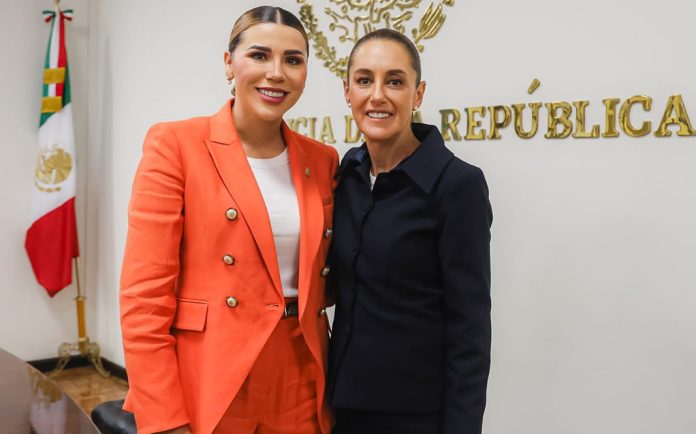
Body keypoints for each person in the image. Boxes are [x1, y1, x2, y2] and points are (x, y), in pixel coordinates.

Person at [120, 6, 338, 434]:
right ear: (228, 63)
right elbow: (144, 299)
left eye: (293, 60)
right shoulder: (176, 145)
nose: (276, 73)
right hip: (214, 370)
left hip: (301, 368)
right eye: (259, 55)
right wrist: (164, 419)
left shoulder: (322, 159)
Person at [327, 28, 493, 434]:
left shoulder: (457, 185)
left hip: (416, 417)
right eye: (364, 80)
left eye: (395, 81)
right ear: (347, 91)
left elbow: (470, 331)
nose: (377, 96)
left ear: (418, 94)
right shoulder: (346, 175)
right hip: (340, 410)